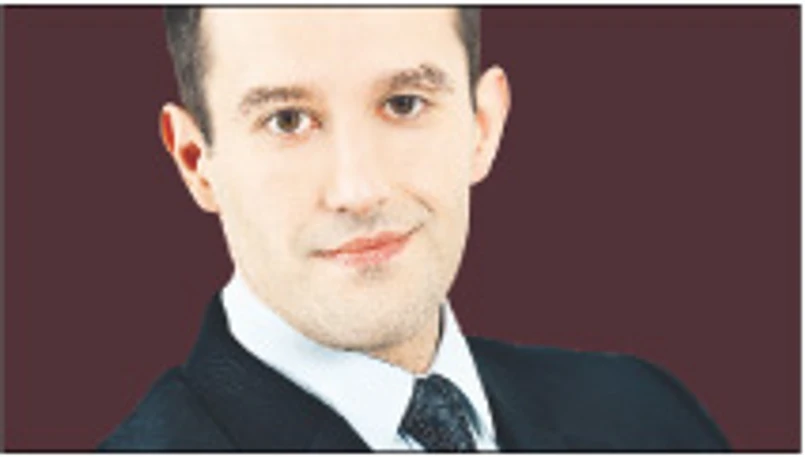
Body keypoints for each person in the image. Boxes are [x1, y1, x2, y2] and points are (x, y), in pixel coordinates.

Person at [100, 7, 729, 451]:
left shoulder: (647, 417)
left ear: (482, 126)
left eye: (404, 104)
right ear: (196, 162)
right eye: (287, 120)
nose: (358, 190)